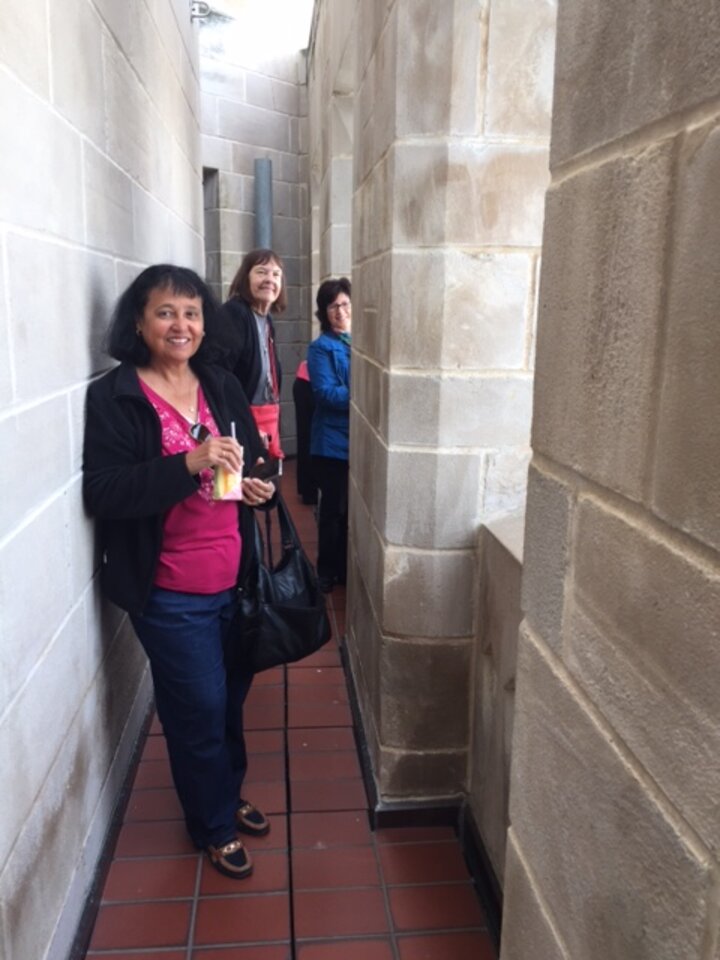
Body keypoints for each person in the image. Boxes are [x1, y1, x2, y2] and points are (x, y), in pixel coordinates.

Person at [82, 264, 276, 881]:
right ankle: (213, 826)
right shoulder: (116, 396)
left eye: (191, 313)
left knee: (229, 705)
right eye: (166, 312)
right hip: (167, 592)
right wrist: (188, 461)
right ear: (138, 321)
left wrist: (261, 488)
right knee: (198, 708)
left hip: (235, 578)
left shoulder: (219, 383)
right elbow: (105, 492)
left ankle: (223, 791)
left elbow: (265, 461)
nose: (181, 325)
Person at [218, 248, 285, 459]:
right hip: (242, 423)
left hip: (266, 419)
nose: (269, 280)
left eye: (276, 275)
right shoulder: (234, 313)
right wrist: (245, 426)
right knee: (253, 487)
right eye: (261, 272)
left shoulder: (266, 320)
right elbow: (219, 379)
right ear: (245, 277)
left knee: (267, 485)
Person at [307, 277, 351, 593]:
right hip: (332, 443)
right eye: (332, 306)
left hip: (358, 442)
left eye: (345, 303)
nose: (340, 311)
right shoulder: (321, 348)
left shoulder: (361, 342)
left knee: (352, 513)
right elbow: (326, 394)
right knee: (332, 512)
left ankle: (346, 569)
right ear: (324, 312)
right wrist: (363, 391)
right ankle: (325, 571)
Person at [292, 358, 318, 505]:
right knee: (307, 439)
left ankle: (307, 490)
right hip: (307, 384)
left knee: (306, 438)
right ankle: (308, 491)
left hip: (305, 381)